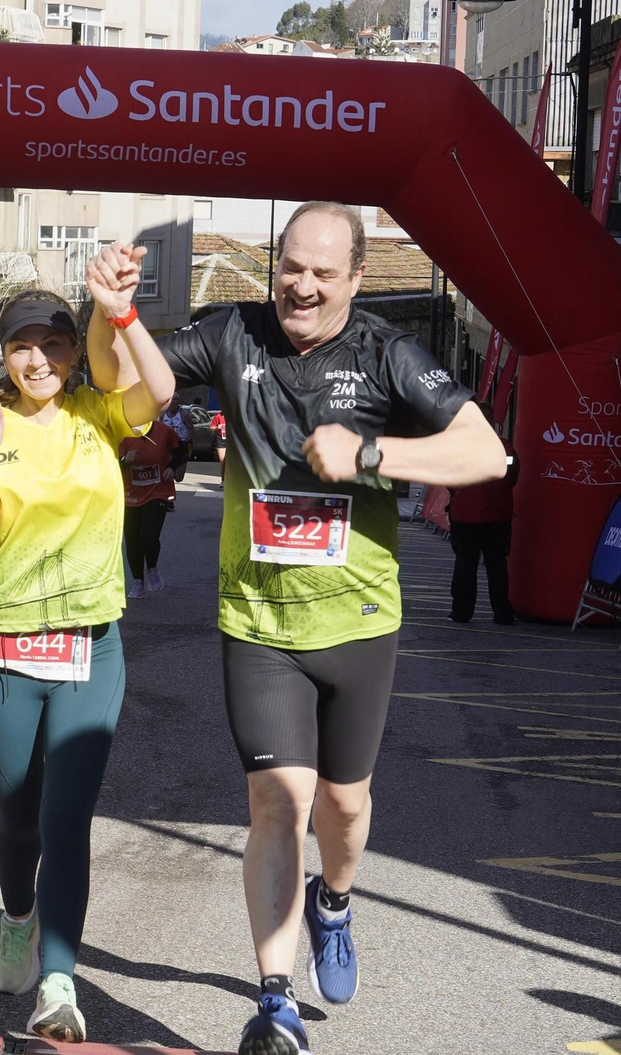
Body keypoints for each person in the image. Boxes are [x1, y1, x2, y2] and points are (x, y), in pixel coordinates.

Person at [91, 203, 504, 1055]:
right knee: (279, 802)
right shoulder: (231, 333)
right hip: (259, 618)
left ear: (356, 279)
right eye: (291, 266)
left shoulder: (388, 353)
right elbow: (127, 394)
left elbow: (485, 453)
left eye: (324, 272)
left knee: (344, 811)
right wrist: (110, 314)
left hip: (358, 619)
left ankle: (336, 902)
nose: (303, 285)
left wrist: (374, 455)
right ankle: (273, 999)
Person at [0, 270, 174, 1041]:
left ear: (73, 356)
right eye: (23, 345)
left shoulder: (98, 415)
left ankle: (58, 982)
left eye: (53, 342)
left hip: (91, 644)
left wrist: (120, 313)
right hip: (10, 644)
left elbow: (161, 383)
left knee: (66, 816)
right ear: (5, 355)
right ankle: (18, 917)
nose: (39, 358)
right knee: (19, 813)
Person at [448, 409, 518, 625]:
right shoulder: (505, 446)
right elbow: (512, 477)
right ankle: (502, 613)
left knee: (465, 565)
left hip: (465, 515)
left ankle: (461, 612)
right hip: (497, 515)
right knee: (497, 565)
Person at [119, 406, 187, 597]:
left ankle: (152, 569)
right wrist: (125, 461)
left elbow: (181, 451)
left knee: (148, 535)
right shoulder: (120, 434)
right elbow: (108, 466)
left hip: (158, 491)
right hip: (130, 494)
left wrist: (172, 468)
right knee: (132, 540)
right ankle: (137, 582)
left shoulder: (164, 431)